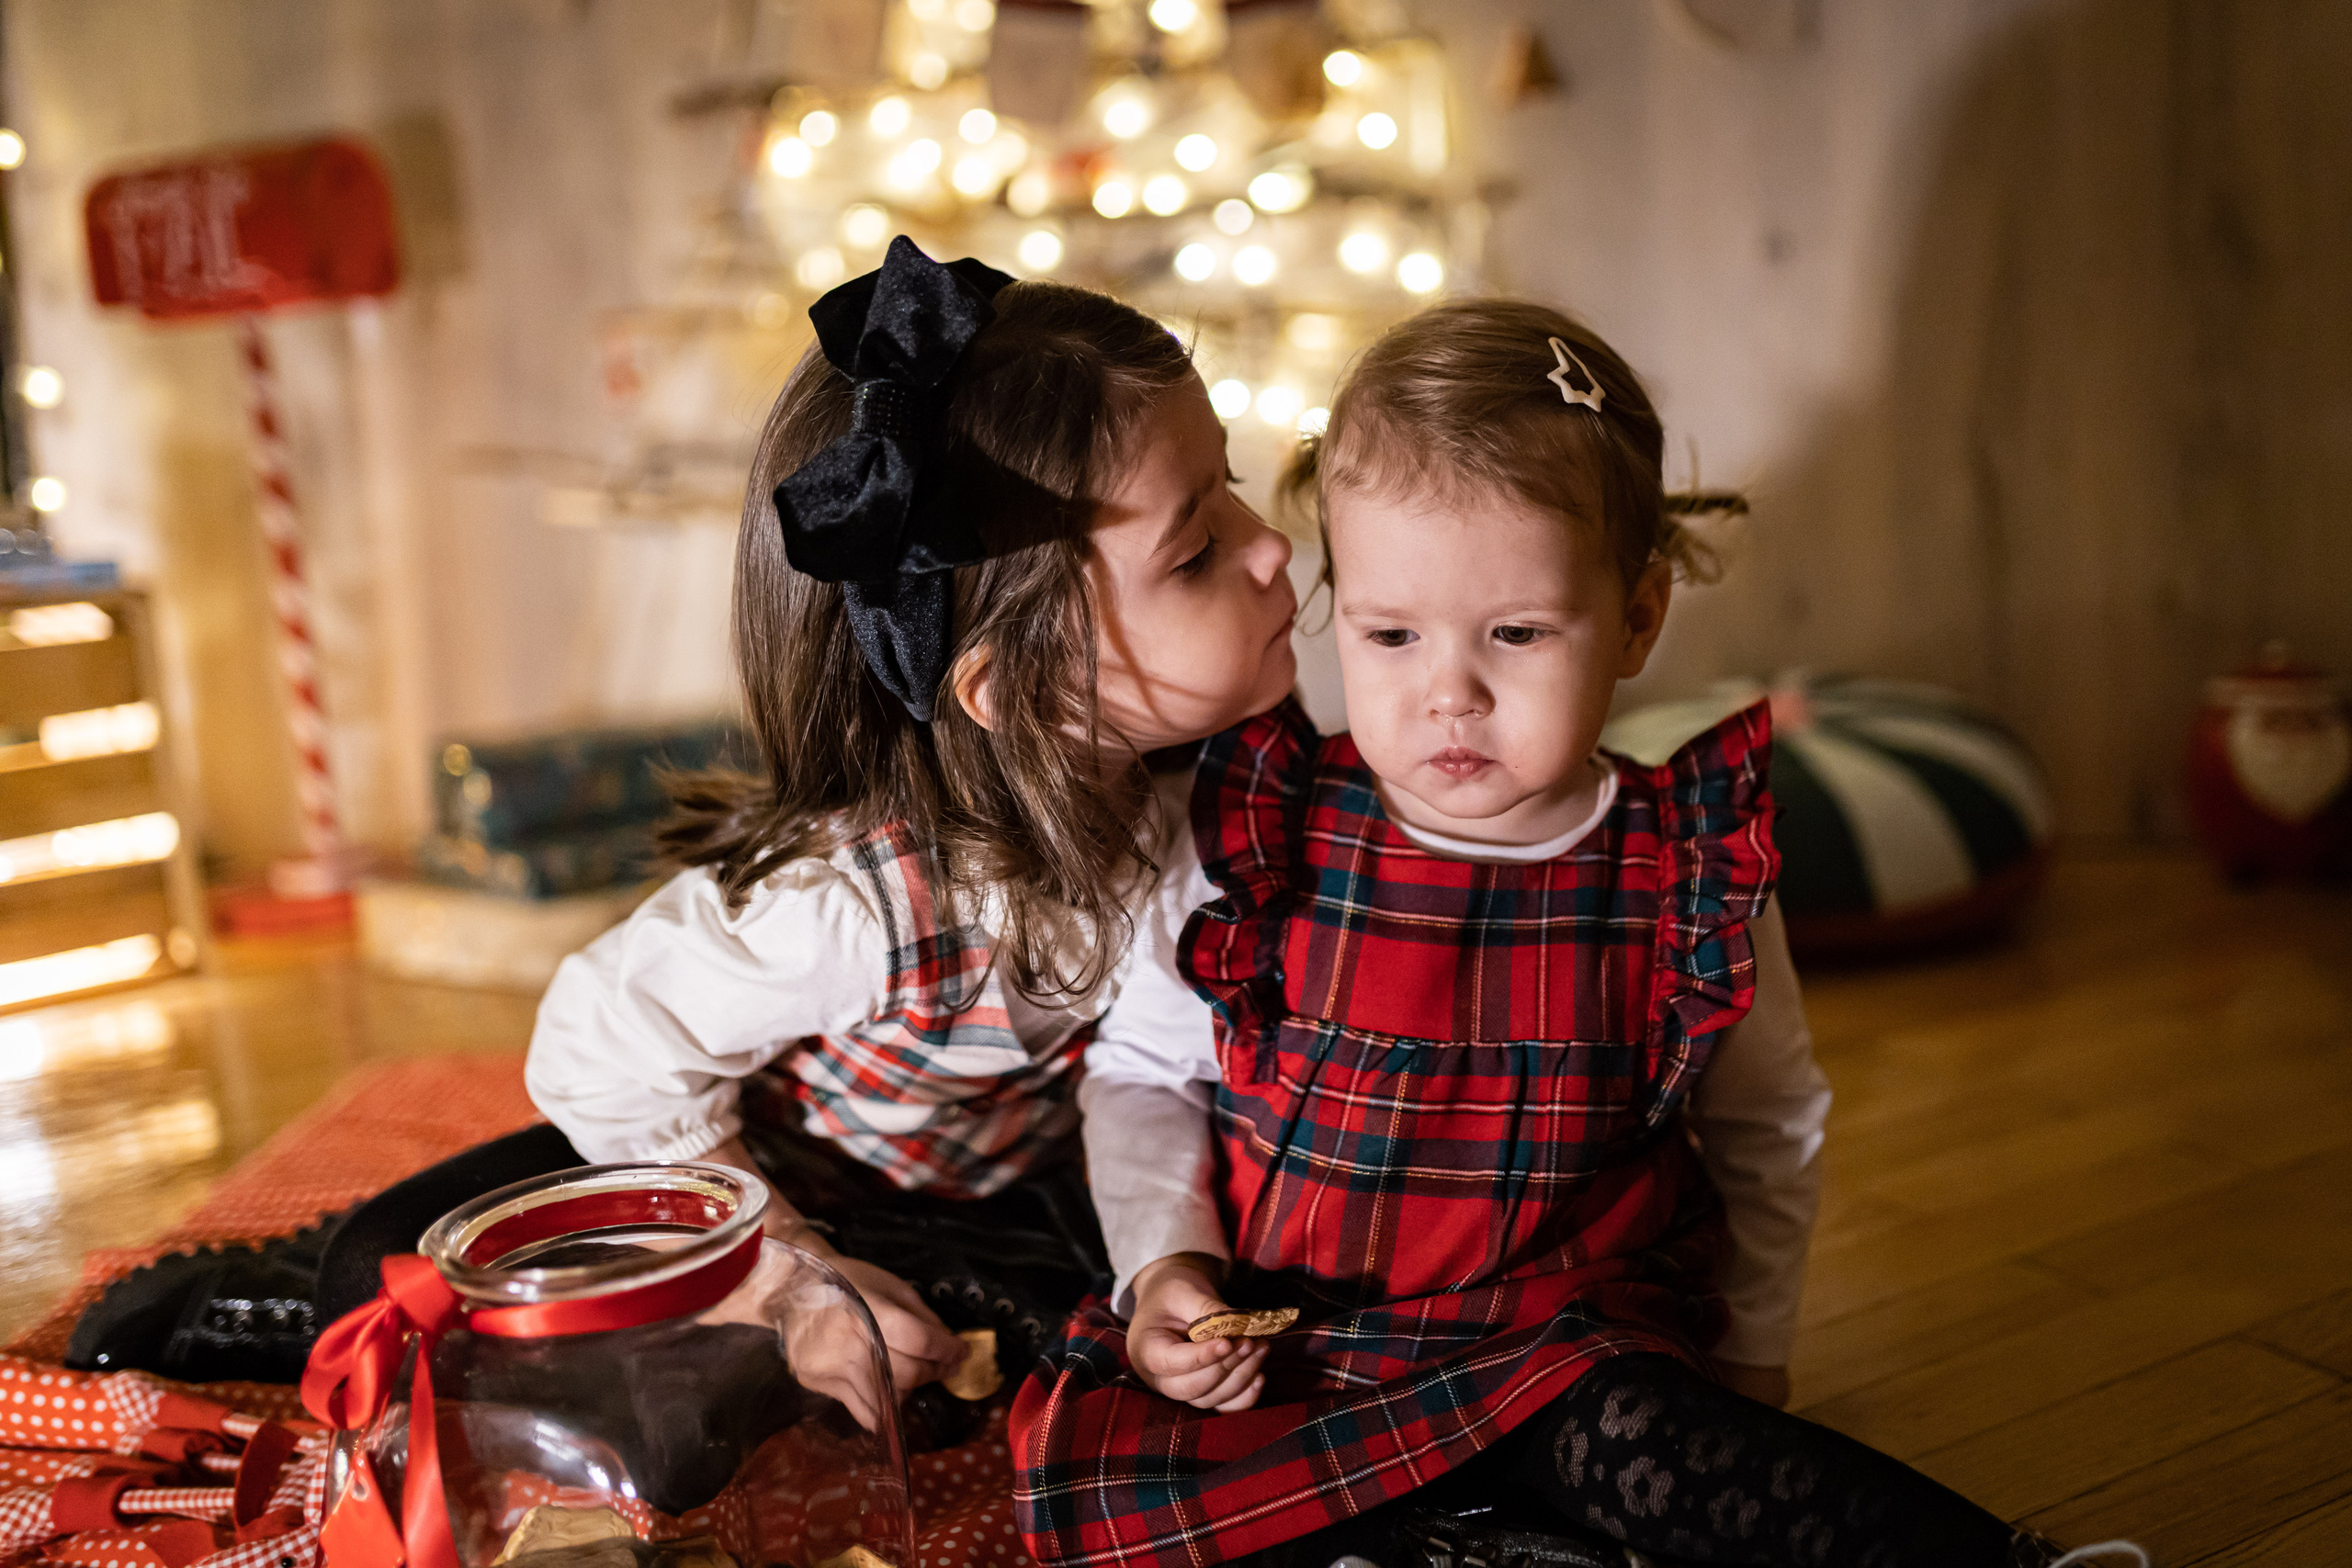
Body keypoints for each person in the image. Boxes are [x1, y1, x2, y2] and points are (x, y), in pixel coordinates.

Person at [1011, 300, 2143, 1568]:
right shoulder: (1262, 835)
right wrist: (1168, 1268)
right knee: (1132, 1494)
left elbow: (1769, 1126)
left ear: (1638, 617)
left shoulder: (1688, 870)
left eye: (1516, 634)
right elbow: (1143, 1073)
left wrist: (1755, 1351)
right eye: (1390, 634)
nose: (1449, 692)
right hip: (1298, 1340)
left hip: (1555, 1342)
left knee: (1677, 1457)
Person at [313, 238, 1302, 1420]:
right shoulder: (850, 907)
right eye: (1195, 550)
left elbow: (1147, 1077)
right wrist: (784, 1279)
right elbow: (599, 1045)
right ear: (1022, 689)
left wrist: (1162, 1267)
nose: (1271, 544)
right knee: (394, 1270)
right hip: (761, 1178)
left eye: (1230, 484)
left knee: (1066, 1356)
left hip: (987, 1196)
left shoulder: (1189, 814)